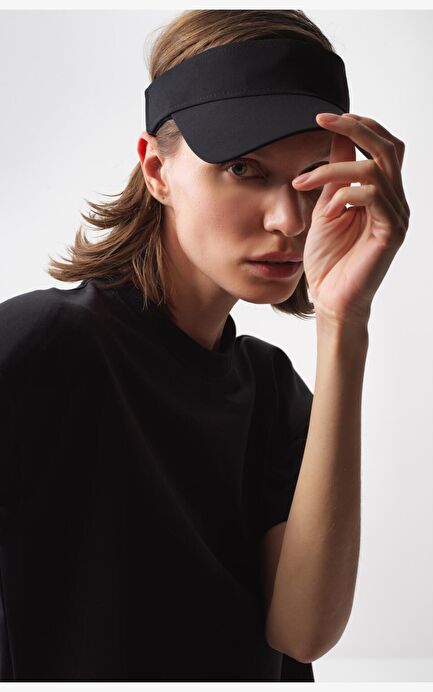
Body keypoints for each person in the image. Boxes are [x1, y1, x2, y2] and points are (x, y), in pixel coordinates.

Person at [0, 9, 409, 683]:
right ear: (156, 169)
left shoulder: (271, 391)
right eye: (245, 168)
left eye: (311, 175)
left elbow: (302, 632)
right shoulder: (44, 347)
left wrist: (345, 319)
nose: (289, 219)